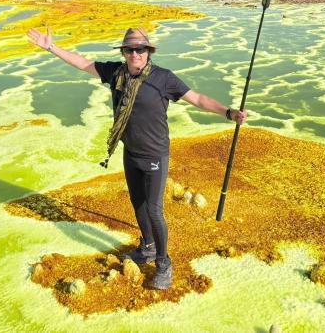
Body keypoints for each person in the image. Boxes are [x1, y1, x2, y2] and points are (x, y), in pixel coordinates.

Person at [26, 26, 246, 290]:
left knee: (154, 210)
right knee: (138, 204)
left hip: (155, 154)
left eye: (140, 49)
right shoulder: (116, 74)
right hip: (131, 152)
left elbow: (197, 98)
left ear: (148, 52)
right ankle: (148, 248)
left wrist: (229, 112)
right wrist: (51, 47)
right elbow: (83, 64)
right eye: (130, 50)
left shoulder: (163, 79)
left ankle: (164, 263)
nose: (135, 54)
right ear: (124, 52)